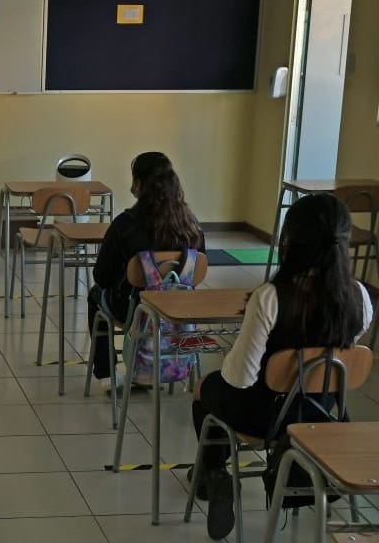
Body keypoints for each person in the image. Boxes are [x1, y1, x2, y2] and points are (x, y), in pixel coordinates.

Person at [191, 193, 373, 540]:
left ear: (289, 242)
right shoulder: (360, 297)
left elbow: (239, 378)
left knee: (205, 388)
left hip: (267, 418)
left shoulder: (271, 297)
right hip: (323, 415)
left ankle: (215, 474)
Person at [88, 151, 204, 390]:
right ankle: (154, 369)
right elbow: (197, 270)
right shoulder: (191, 225)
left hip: (135, 311)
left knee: (94, 296)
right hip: (178, 311)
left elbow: (101, 276)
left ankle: (106, 373)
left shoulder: (125, 224)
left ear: (139, 184)